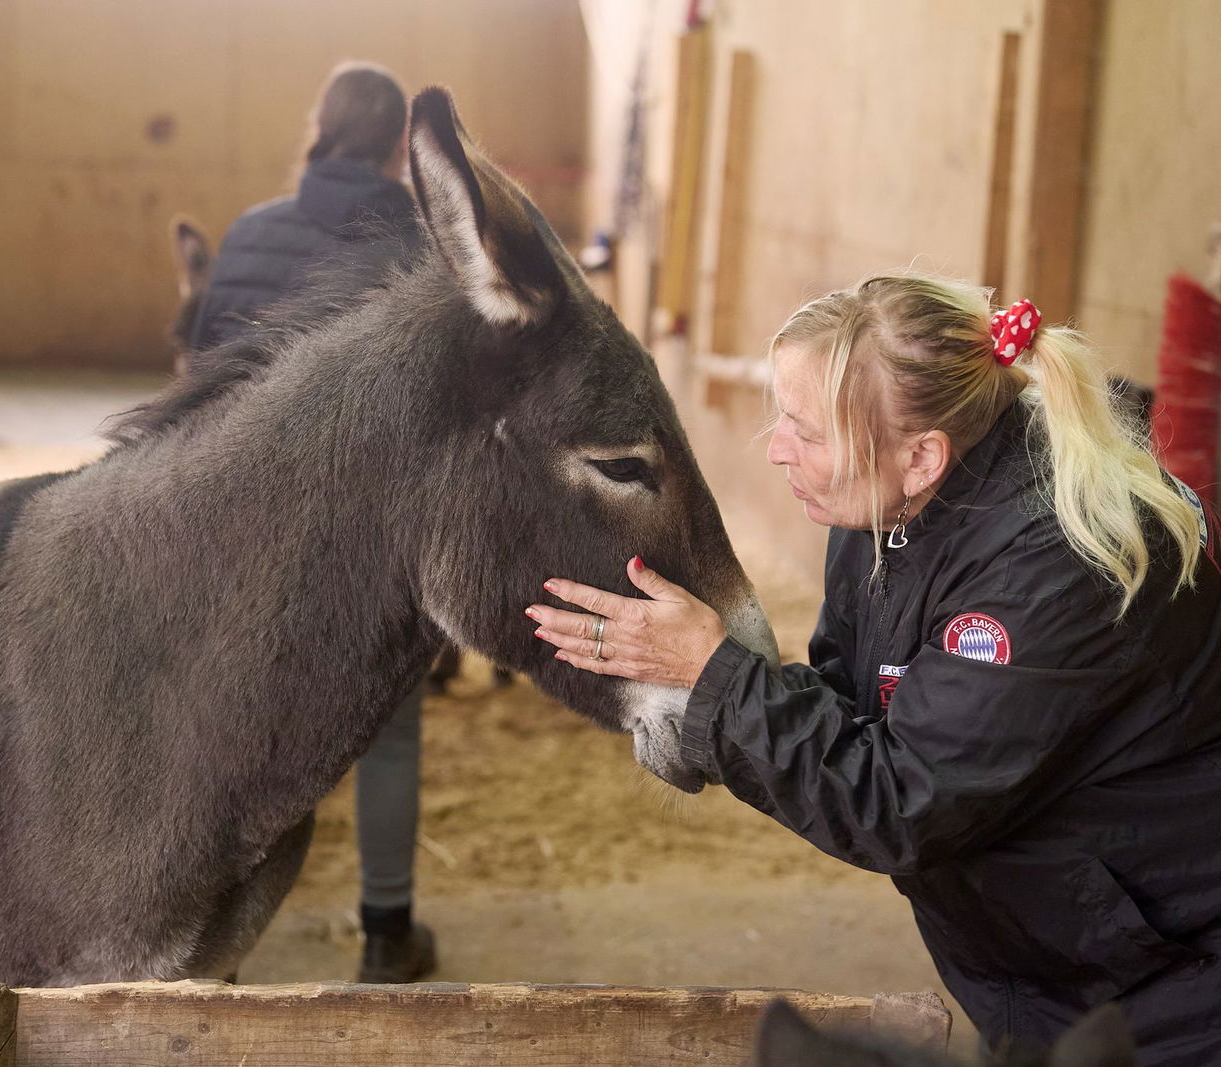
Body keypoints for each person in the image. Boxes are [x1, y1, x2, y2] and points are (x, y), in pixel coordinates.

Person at [524, 274, 1221, 1064]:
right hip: (1061, 961)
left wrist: (713, 676)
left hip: (1174, 980)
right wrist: (704, 692)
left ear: (922, 456)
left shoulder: (1049, 567)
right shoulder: (888, 511)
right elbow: (852, 707)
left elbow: (902, 799)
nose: (776, 448)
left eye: (804, 430)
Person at [187, 61, 435, 984]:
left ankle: (209, 937)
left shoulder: (252, 234)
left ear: (318, 127)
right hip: (376, 540)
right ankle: (386, 933)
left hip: (245, 533)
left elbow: (198, 396)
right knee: (390, 736)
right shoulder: (426, 250)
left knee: (230, 728)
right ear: (399, 144)